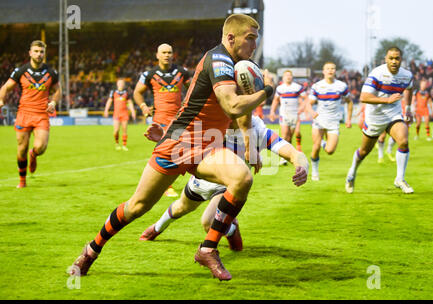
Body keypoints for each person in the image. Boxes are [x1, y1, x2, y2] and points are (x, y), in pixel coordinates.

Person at [69, 14, 297, 281]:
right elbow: (232, 106)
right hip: (179, 142)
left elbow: (238, 114)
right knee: (137, 206)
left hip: (209, 142)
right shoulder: (219, 59)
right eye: (250, 38)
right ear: (231, 38)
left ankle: (207, 249)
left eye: (256, 39)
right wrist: (268, 91)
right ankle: (90, 251)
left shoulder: (240, 65)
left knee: (241, 178)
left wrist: (250, 144)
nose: (254, 45)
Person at [139, 115, 309, 250]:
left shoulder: (258, 131)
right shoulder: (211, 123)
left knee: (208, 222)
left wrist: (301, 166)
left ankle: (230, 231)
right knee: (180, 207)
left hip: (227, 186)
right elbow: (182, 143)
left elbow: (294, 153)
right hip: (202, 179)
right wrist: (163, 138)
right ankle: (157, 228)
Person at [345, 47, 414, 194]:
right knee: (364, 151)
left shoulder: (406, 75)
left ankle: (400, 179)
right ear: (386, 59)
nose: (394, 61)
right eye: (391, 58)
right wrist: (388, 100)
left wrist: (408, 109)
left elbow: (410, 88)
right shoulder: (377, 73)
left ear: (401, 59)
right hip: (375, 117)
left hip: (394, 114)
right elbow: (364, 97)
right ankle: (352, 171)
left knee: (403, 140)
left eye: (397, 58)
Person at [0, 40, 60, 188]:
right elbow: (6, 87)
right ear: (30, 53)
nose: (39, 54)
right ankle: (22, 181)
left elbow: (58, 90)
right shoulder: (21, 71)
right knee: (21, 148)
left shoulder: (51, 72)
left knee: (41, 147)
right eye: (36, 51)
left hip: (41, 114)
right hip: (24, 113)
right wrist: (1, 99)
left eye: (41, 52)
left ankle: (34, 154)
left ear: (44, 54)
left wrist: (53, 102)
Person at [133, 43, 191, 197]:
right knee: (166, 151)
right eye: (163, 52)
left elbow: (193, 90)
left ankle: (193, 182)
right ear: (157, 55)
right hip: (160, 119)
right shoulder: (149, 74)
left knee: (186, 150)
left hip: (179, 119)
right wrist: (144, 107)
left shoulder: (182, 72)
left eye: (169, 52)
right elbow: (137, 93)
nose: (167, 55)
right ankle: (167, 186)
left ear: (173, 55)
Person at [304, 62, 353, 181]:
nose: (330, 70)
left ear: (335, 71)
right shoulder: (317, 86)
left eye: (332, 69)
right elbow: (308, 104)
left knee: (330, 151)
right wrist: (312, 112)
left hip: (333, 122)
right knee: (315, 147)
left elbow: (349, 102)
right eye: (328, 69)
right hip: (319, 121)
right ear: (323, 71)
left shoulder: (341, 86)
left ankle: (323, 143)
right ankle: (315, 172)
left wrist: (348, 119)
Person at [269, 70, 306, 163]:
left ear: (292, 77)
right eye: (286, 76)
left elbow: (305, 99)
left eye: (290, 75)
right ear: (283, 78)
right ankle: (283, 157)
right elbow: (275, 100)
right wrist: (272, 112)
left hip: (294, 114)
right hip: (284, 114)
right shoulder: (280, 88)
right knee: (285, 135)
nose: (288, 77)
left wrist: (302, 108)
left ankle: (290, 152)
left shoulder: (297, 87)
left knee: (291, 135)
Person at [103, 79, 136, 151]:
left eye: (122, 83)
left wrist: (133, 111)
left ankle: (124, 145)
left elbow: (130, 103)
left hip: (125, 114)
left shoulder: (126, 92)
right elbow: (109, 101)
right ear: (117, 84)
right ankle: (117, 143)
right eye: (119, 83)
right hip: (116, 114)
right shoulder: (113, 92)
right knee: (116, 131)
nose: (120, 84)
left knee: (124, 130)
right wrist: (106, 110)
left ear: (124, 84)